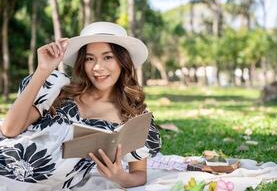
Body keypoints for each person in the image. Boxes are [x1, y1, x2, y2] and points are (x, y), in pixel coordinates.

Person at [0, 22, 161, 190]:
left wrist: (121, 177)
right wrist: (43, 69)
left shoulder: (134, 117)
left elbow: (139, 174)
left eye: (108, 57)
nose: (98, 67)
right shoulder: (59, 90)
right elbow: (9, 129)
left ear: (123, 61)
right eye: (90, 58)